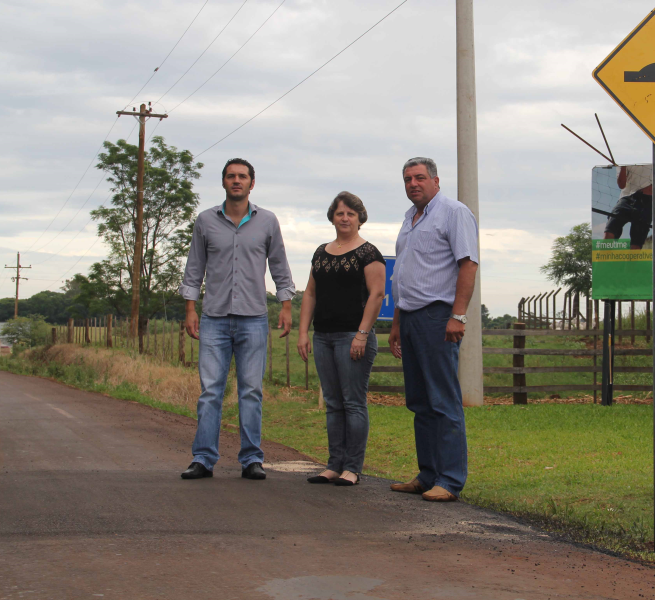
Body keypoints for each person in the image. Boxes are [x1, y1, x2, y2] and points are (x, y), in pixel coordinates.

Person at [178, 158, 296, 480]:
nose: (237, 181)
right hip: (214, 318)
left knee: (251, 391)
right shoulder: (205, 221)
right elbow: (194, 269)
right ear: (224, 182)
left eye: (242, 176)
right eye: (231, 176)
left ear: (252, 184)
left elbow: (280, 268)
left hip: (254, 319)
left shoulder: (267, 221)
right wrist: (190, 309)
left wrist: (286, 306)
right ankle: (203, 458)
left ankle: (251, 459)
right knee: (211, 391)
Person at [388, 157, 479, 503]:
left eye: (420, 178)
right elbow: (404, 275)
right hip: (410, 317)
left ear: (436, 181)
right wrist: (397, 322)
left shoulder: (454, 213)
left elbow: (468, 263)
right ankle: (427, 475)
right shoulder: (409, 220)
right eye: (408, 179)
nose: (413, 183)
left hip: (437, 317)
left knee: (443, 400)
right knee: (420, 401)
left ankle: (451, 479)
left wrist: (458, 316)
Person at [296, 192, 386, 487]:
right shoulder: (321, 253)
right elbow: (310, 293)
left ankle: (352, 467)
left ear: (360, 218)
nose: (345, 218)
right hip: (323, 336)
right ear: (332, 217)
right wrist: (303, 332)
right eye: (339, 213)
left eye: (350, 213)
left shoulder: (369, 253)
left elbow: (377, 294)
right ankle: (333, 464)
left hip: (353, 337)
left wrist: (362, 334)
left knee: (353, 403)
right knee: (333, 403)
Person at [604, 165, 653, 250]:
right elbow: (621, 185)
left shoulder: (652, 157)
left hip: (647, 200)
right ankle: (602, 262)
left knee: (636, 243)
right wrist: (623, 166)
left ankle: (631, 263)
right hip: (626, 198)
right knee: (609, 231)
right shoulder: (624, 161)